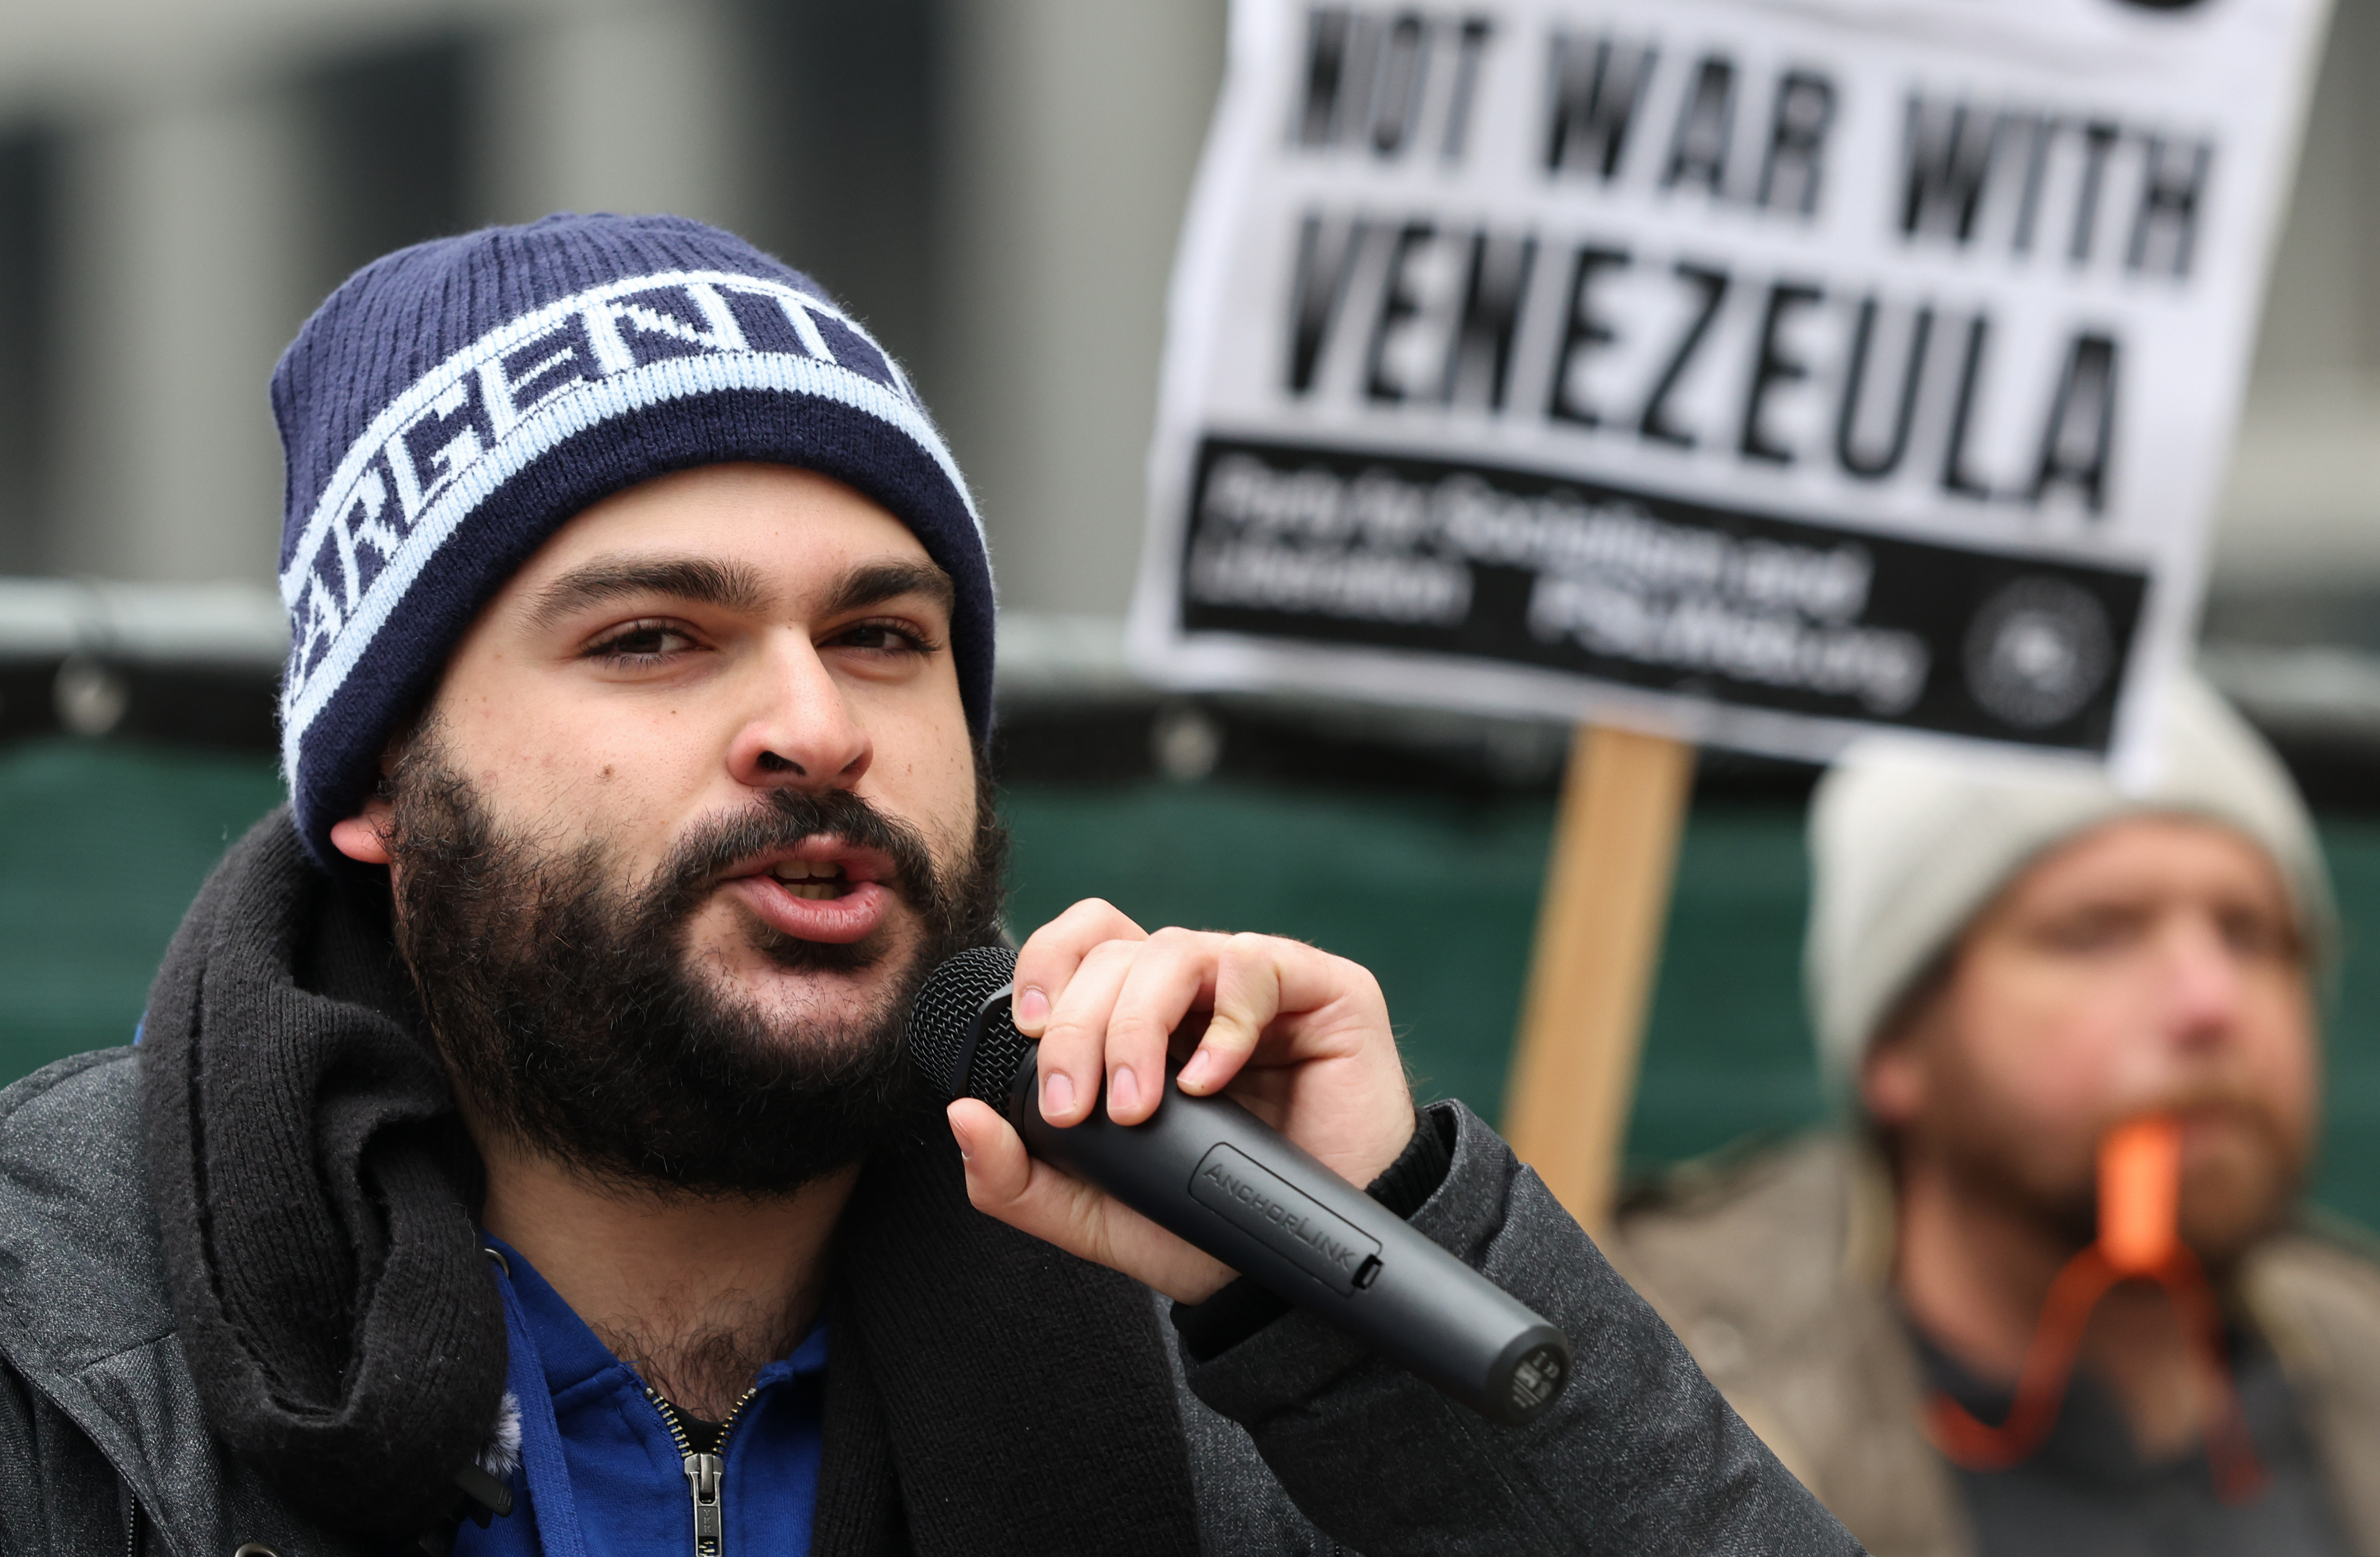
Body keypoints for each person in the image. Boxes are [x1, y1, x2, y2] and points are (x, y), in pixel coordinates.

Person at [0, 214, 1853, 1556]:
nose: (816, 726)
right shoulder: (56, 1337)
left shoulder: (1227, 1351)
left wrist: (1374, 1291)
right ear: (380, 788)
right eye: (653, 638)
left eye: (885, 636)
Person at [1608, 676, 2380, 1556]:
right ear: (1896, 1044)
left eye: (2253, 934)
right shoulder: (1656, 1409)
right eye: (2096, 931)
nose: (2210, 1002)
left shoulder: (2360, 1360)